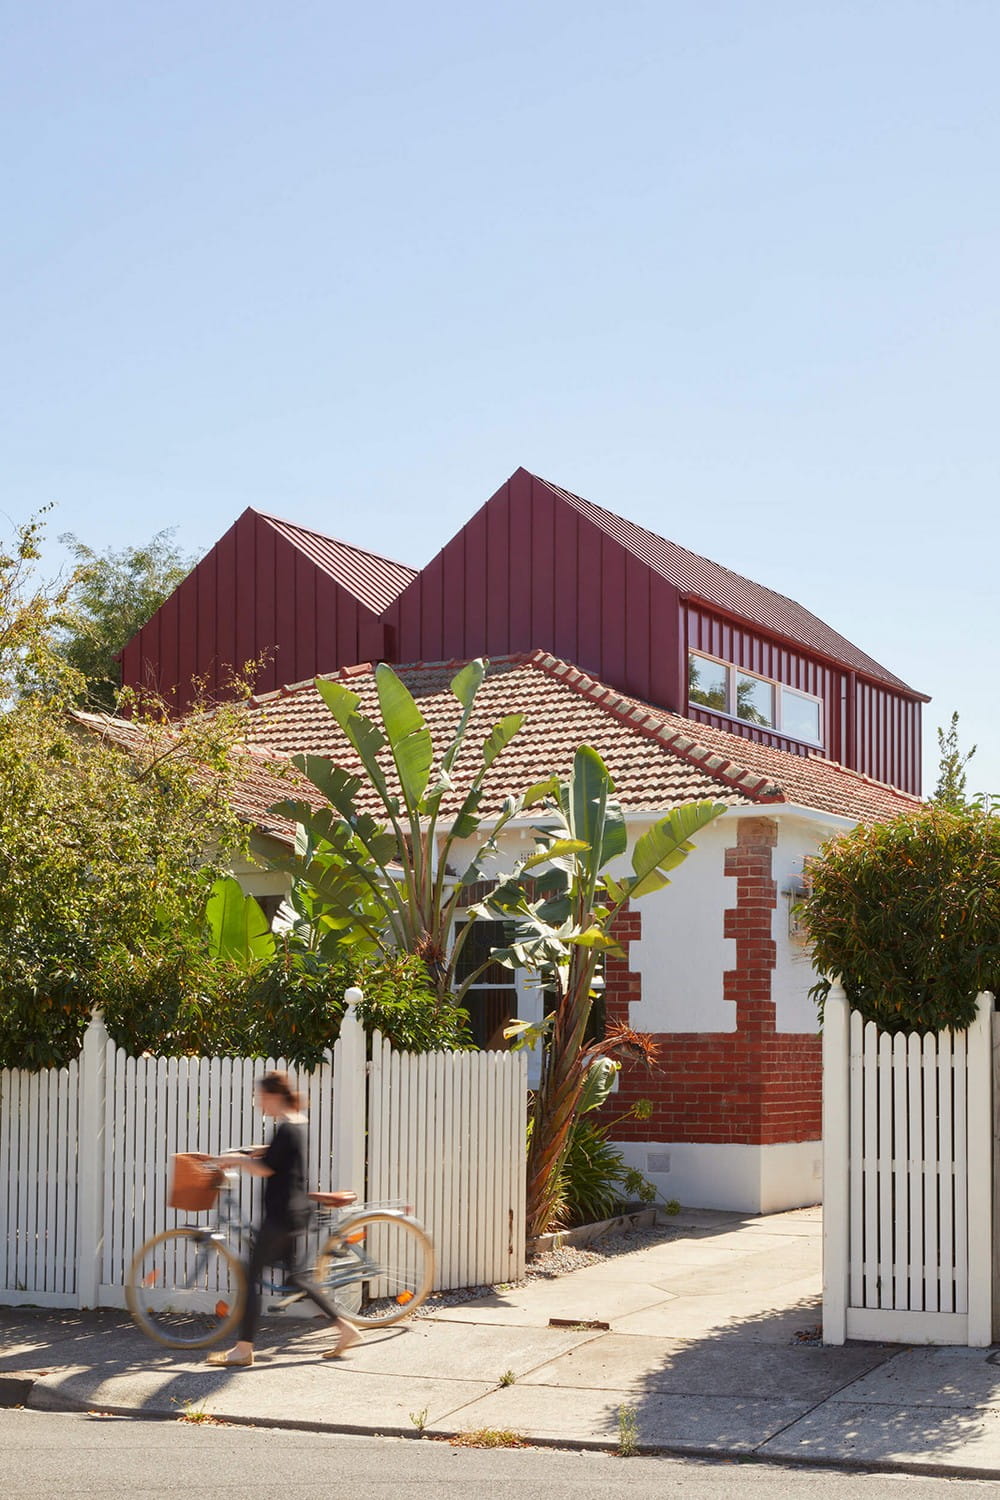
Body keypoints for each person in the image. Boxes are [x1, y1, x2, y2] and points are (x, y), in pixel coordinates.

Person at [204, 1070, 360, 1368]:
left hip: (280, 1216)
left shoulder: (288, 1127)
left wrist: (236, 1161)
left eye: (262, 1098)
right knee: (297, 1277)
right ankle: (346, 1328)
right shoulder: (295, 1122)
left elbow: (266, 1167)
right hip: (293, 1213)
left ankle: (242, 1349)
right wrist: (245, 1151)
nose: (260, 1105)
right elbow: (273, 1154)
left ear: (274, 1096)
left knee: (249, 1278)